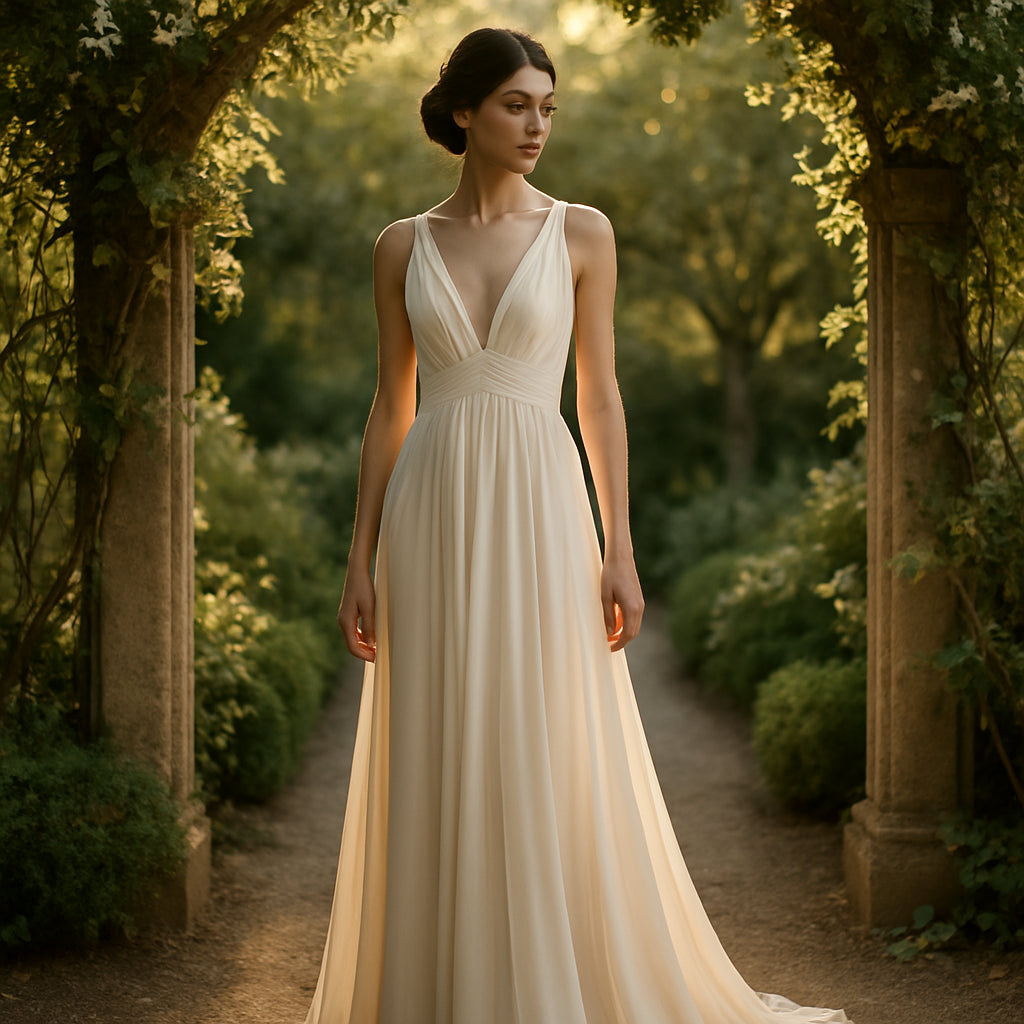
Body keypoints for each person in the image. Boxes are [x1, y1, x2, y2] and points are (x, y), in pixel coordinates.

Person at [303, 27, 852, 1024]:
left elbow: (598, 398)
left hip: (543, 502)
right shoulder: (400, 245)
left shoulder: (582, 232)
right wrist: (360, 559)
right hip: (428, 512)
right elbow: (391, 407)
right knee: (438, 735)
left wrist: (620, 547)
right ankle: (441, 991)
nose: (537, 125)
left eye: (548, 107)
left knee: (545, 733)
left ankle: (548, 987)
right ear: (463, 110)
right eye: (517, 104)